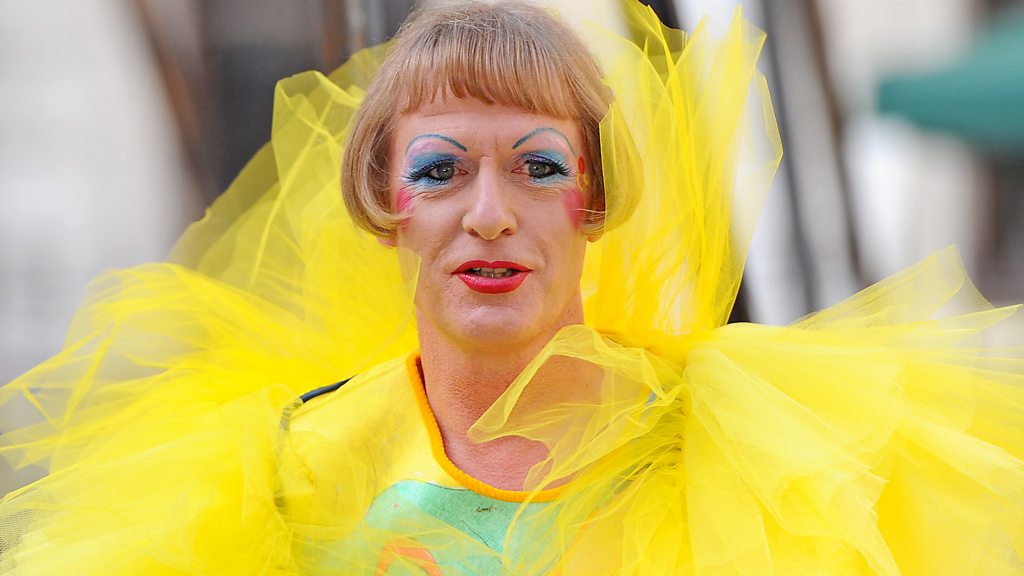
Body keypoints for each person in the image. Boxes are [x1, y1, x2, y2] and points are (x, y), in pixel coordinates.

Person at [1, 1, 1022, 574]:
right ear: (385, 202)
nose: (489, 214)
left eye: (537, 167)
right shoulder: (286, 465)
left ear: (592, 200)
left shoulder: (734, 445)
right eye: (440, 171)